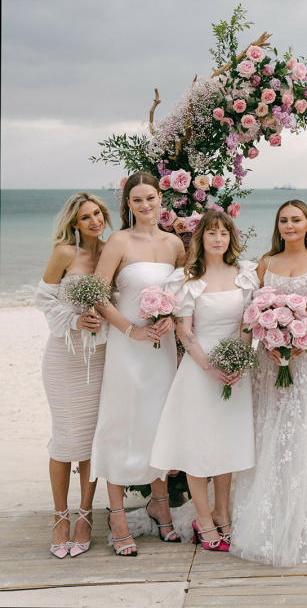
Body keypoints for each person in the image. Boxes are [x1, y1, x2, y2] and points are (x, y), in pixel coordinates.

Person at [230, 200, 307, 566]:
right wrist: (269, 340)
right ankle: (268, 519)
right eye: (283, 220)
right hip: (271, 360)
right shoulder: (266, 263)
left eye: (296, 220)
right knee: (274, 429)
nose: (289, 225)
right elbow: (251, 310)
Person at [151, 212, 258, 551]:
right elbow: (184, 331)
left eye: (223, 233)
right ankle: (204, 520)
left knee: (227, 443)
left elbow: (247, 324)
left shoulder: (245, 275)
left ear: (231, 238)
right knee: (199, 445)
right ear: (201, 238)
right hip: (199, 371)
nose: (218, 239)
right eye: (211, 233)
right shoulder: (188, 279)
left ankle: (222, 514)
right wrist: (209, 368)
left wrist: (239, 361)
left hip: (234, 371)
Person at [90, 171, 184, 556]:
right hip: (127, 348)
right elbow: (97, 295)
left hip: (161, 349)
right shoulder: (119, 241)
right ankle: (116, 516)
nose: (145, 205)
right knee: (121, 423)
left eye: (150, 197)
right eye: (137, 200)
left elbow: (184, 292)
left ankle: (160, 504)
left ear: (162, 198)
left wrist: (171, 317)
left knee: (157, 423)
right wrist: (132, 331)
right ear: (128, 204)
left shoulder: (174, 243)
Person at [36, 192, 112, 558]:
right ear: (75, 223)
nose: (94, 221)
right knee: (66, 439)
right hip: (64, 357)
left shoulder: (112, 252)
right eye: (85, 217)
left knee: (91, 439)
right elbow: (43, 299)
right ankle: (59, 517)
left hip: (101, 357)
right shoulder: (65, 253)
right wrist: (75, 320)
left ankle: (85, 515)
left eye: (97, 214)